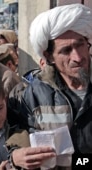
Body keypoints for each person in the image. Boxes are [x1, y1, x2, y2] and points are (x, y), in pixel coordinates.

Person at [8, 3, 92, 168]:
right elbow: (9, 140)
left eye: (80, 44)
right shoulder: (29, 96)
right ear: (49, 57)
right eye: (66, 50)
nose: (77, 57)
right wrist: (15, 157)